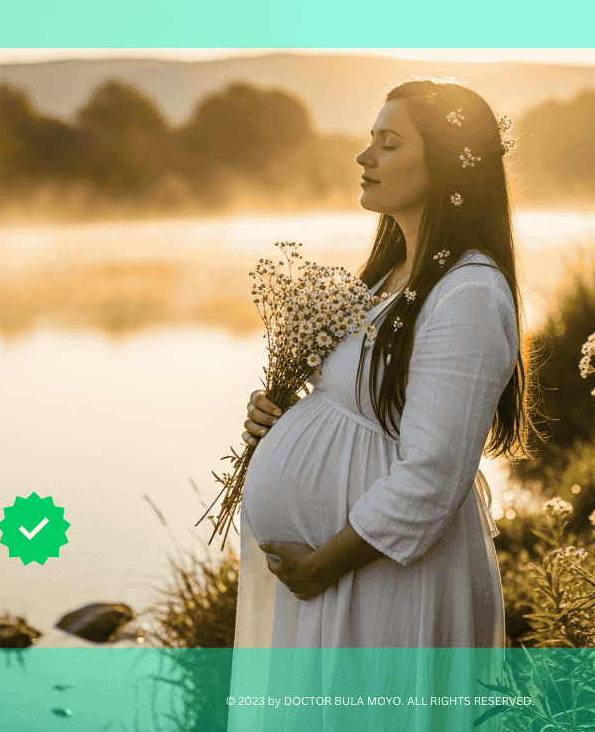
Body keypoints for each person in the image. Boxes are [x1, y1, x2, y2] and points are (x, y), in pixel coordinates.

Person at [227, 78, 533, 728]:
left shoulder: (468, 294)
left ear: (447, 163)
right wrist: (281, 417)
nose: (364, 158)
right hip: (339, 583)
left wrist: (321, 565)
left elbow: (431, 479)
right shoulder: (393, 279)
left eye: (388, 144)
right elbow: (357, 408)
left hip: (384, 584)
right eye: (369, 140)